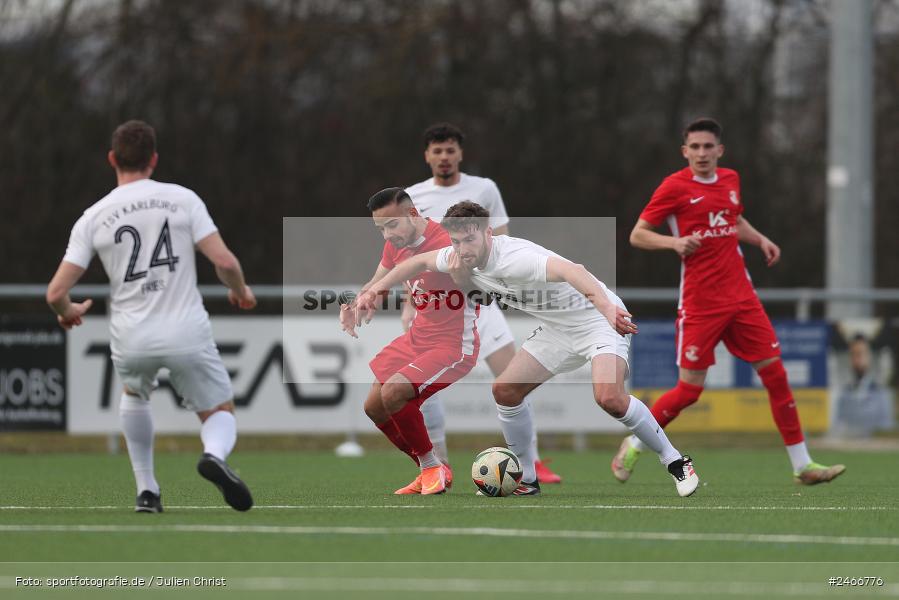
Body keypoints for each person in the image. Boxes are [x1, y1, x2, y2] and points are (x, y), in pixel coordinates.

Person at [357, 202, 699, 497]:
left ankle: (676, 463)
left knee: (609, 397)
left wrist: (607, 309)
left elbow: (573, 270)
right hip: (557, 331)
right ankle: (527, 479)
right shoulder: (456, 257)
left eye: (470, 238)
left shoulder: (516, 258)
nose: (463, 248)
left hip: (597, 318)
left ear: (487, 233)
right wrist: (375, 291)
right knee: (505, 390)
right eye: (457, 241)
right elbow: (412, 265)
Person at [616, 117, 845, 485]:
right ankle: (636, 442)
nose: (702, 153)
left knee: (776, 376)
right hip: (701, 303)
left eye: (709, 147)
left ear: (719, 150)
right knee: (690, 391)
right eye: (696, 147)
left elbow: (733, 220)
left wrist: (760, 239)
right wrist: (674, 243)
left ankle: (803, 465)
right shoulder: (674, 187)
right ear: (685, 151)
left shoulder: (730, 180)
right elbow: (638, 235)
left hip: (742, 298)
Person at [46, 120, 255, 512]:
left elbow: (56, 292)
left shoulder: (94, 215)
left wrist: (67, 312)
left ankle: (147, 491)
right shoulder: (182, 199)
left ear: (112, 159)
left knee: (135, 394)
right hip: (186, 330)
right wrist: (240, 291)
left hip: (131, 334)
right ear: (154, 159)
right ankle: (213, 455)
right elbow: (224, 261)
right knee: (218, 410)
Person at [405, 122, 562, 485]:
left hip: (479, 299)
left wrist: (503, 284)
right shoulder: (413, 196)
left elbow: (503, 236)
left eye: (450, 150)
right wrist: (408, 301)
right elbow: (407, 250)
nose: (444, 157)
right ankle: (438, 464)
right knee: (423, 384)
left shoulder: (484, 188)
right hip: (436, 303)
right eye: (437, 151)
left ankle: (532, 462)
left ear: (460, 153)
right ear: (427, 156)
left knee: (513, 379)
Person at [339, 187, 480, 495]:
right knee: (374, 407)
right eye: (380, 229)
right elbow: (377, 283)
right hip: (418, 337)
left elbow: (477, 289)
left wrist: (464, 278)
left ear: (413, 215)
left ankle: (432, 468)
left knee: (394, 393)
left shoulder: (447, 242)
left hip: (454, 344)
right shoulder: (396, 245)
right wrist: (358, 301)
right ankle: (430, 468)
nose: (387, 235)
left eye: (392, 225)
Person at [834, 334, 894, 436]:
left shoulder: (881, 394)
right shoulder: (844, 394)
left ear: (869, 356)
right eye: (854, 354)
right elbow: (839, 426)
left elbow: (886, 430)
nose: (858, 360)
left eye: (861, 354)